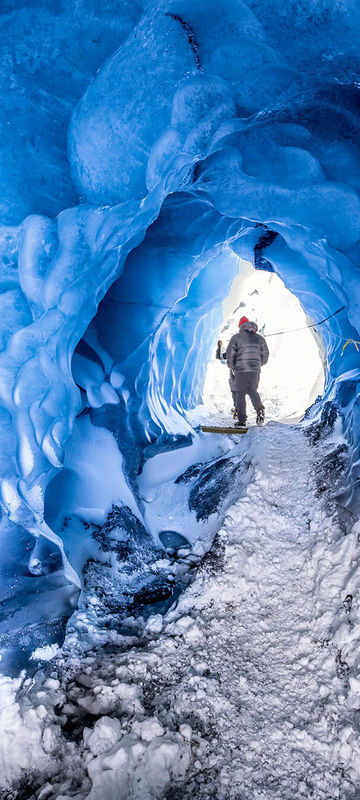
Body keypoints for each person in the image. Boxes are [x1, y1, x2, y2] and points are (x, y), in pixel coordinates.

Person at [226, 316, 269, 427]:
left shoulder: (236, 338)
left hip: (241, 370)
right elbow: (265, 355)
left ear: (241, 326)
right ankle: (260, 411)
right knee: (253, 391)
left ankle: (242, 420)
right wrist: (258, 364)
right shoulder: (260, 338)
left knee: (240, 394)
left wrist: (232, 367)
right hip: (255, 371)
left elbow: (230, 354)